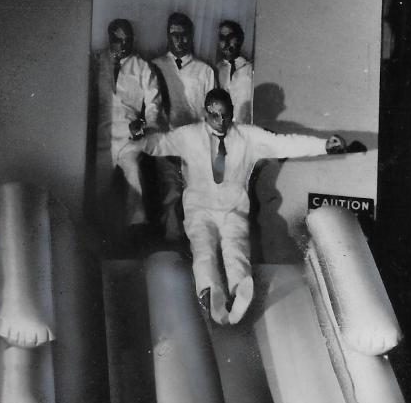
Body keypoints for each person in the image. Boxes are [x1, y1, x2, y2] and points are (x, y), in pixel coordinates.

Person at [136, 87, 345, 324]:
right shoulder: (188, 135)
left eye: (225, 115)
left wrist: (323, 146)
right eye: (215, 115)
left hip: (233, 209)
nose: (221, 121)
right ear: (206, 113)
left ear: (233, 112)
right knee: (203, 250)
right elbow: (157, 144)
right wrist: (139, 136)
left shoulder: (248, 136)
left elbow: (285, 143)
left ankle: (239, 291)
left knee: (235, 250)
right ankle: (209, 292)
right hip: (199, 210)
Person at [95, 18, 163, 234]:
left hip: (129, 136)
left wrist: (145, 125)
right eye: (117, 40)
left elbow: (154, 103)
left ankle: (136, 229)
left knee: (134, 172)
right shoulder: (98, 62)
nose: (123, 45)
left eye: (127, 40)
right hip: (100, 135)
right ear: (109, 39)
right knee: (98, 182)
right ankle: (98, 230)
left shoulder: (142, 66)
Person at [151, 13, 215, 241]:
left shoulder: (205, 71)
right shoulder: (156, 66)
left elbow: (210, 112)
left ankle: (194, 245)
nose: (180, 40)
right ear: (168, 36)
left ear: (191, 36)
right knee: (170, 194)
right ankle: (172, 242)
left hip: (196, 145)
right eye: (174, 35)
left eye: (184, 35)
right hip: (166, 141)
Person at [214, 19, 253, 124]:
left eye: (230, 37)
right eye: (222, 38)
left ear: (239, 39)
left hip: (245, 128)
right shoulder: (215, 70)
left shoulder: (251, 69)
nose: (226, 42)